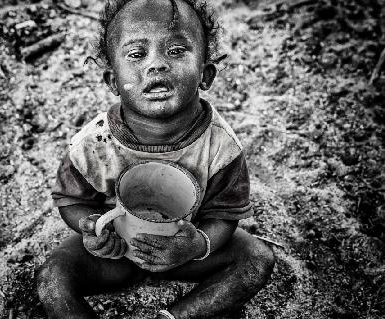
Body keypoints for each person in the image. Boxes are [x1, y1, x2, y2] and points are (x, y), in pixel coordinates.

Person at [37, 0, 275, 318]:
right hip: (117, 252)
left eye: (176, 51)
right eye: (137, 54)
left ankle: (177, 316)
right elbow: (70, 201)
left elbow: (225, 215)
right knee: (53, 277)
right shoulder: (92, 144)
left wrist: (199, 243)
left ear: (206, 74)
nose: (156, 64)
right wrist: (91, 228)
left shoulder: (222, 147)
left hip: (186, 250)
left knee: (256, 257)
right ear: (112, 81)